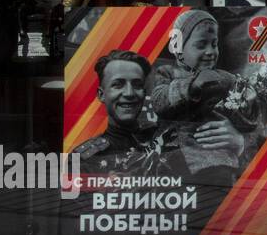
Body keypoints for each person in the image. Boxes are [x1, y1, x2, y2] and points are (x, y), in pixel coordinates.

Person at [146, 10, 256, 186]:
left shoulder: (226, 78)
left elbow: (248, 123)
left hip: (218, 160)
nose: (210, 51)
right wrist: (193, 85)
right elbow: (159, 101)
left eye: (214, 44)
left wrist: (248, 103)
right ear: (178, 47)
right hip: (173, 156)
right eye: (201, 45)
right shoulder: (168, 73)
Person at [72, 49, 189, 179]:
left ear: (144, 93)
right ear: (101, 95)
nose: (129, 93)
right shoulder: (85, 159)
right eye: (118, 85)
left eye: (137, 85)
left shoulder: (165, 141)